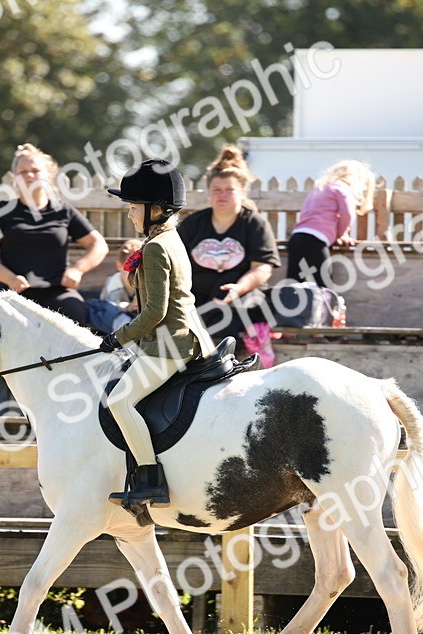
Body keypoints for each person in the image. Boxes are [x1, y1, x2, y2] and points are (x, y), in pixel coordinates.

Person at [100, 160, 211, 508]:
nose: (130, 214)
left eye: (134, 207)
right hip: (181, 335)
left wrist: (117, 338)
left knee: (118, 401)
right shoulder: (167, 238)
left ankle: (149, 478)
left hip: (168, 344)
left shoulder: (156, 247)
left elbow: (154, 313)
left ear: (157, 209)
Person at [0, 143, 109, 327]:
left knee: (77, 313)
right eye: (22, 171)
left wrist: (77, 269)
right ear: (15, 178)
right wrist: (10, 278)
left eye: (35, 170)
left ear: (48, 175)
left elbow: (98, 245)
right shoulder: (3, 212)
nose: (29, 175)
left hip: (57, 292)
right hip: (14, 293)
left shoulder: (63, 211)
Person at [178, 145, 280, 359]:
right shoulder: (193, 224)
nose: (222, 195)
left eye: (229, 190)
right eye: (217, 190)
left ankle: (243, 356)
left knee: (245, 311)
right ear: (209, 192)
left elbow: (262, 267)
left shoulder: (254, 224)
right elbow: (174, 262)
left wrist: (238, 288)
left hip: (240, 294)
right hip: (198, 296)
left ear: (242, 192)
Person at [285, 160, 377, 283]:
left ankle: (288, 300)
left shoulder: (320, 189)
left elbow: (306, 211)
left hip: (297, 237)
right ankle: (326, 301)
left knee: (294, 281)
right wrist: (341, 234)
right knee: (323, 282)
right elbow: (347, 213)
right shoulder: (342, 188)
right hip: (315, 240)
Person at [87, 238, 141, 333]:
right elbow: (114, 305)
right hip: (115, 312)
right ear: (119, 266)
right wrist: (129, 306)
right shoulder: (115, 283)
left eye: (140, 269)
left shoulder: (145, 281)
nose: (136, 273)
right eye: (131, 269)